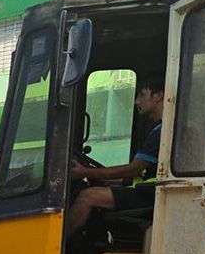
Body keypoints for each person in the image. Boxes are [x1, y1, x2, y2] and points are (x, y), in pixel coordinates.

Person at [66, 77, 166, 240]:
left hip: (150, 194)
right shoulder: (158, 129)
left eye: (142, 95)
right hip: (148, 190)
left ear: (158, 96)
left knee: (87, 196)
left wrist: (86, 172)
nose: (136, 101)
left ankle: (59, 246)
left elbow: (134, 169)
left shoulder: (161, 132)